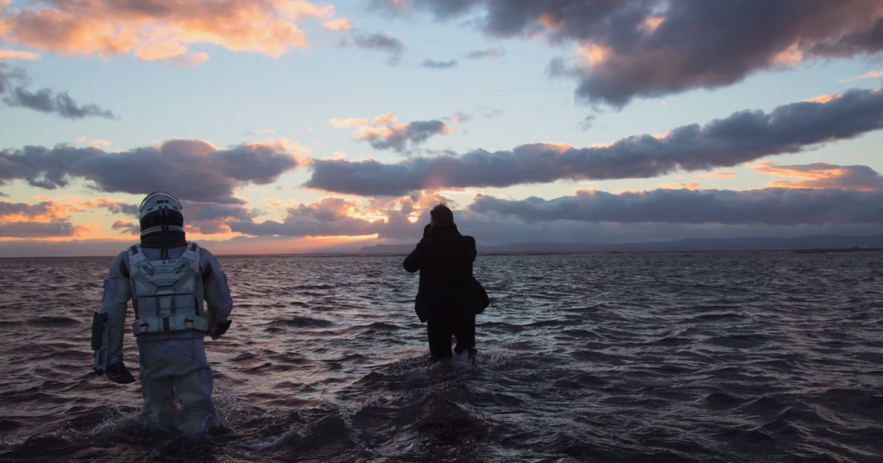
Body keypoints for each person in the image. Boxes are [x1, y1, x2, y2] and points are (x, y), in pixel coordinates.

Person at [91, 191, 233, 437]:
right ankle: (197, 449)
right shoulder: (201, 256)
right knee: (198, 408)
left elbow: (111, 314)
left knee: (155, 413)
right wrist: (212, 326)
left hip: (150, 351)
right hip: (190, 349)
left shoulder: (126, 260)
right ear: (179, 220)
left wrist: (111, 360)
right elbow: (222, 305)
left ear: (144, 222)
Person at [403, 204, 480, 360]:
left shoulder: (427, 245)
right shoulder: (468, 243)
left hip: (437, 307)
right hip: (465, 305)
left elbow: (409, 266)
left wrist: (426, 238)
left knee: (440, 358)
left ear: (433, 222)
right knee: (467, 352)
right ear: (451, 220)